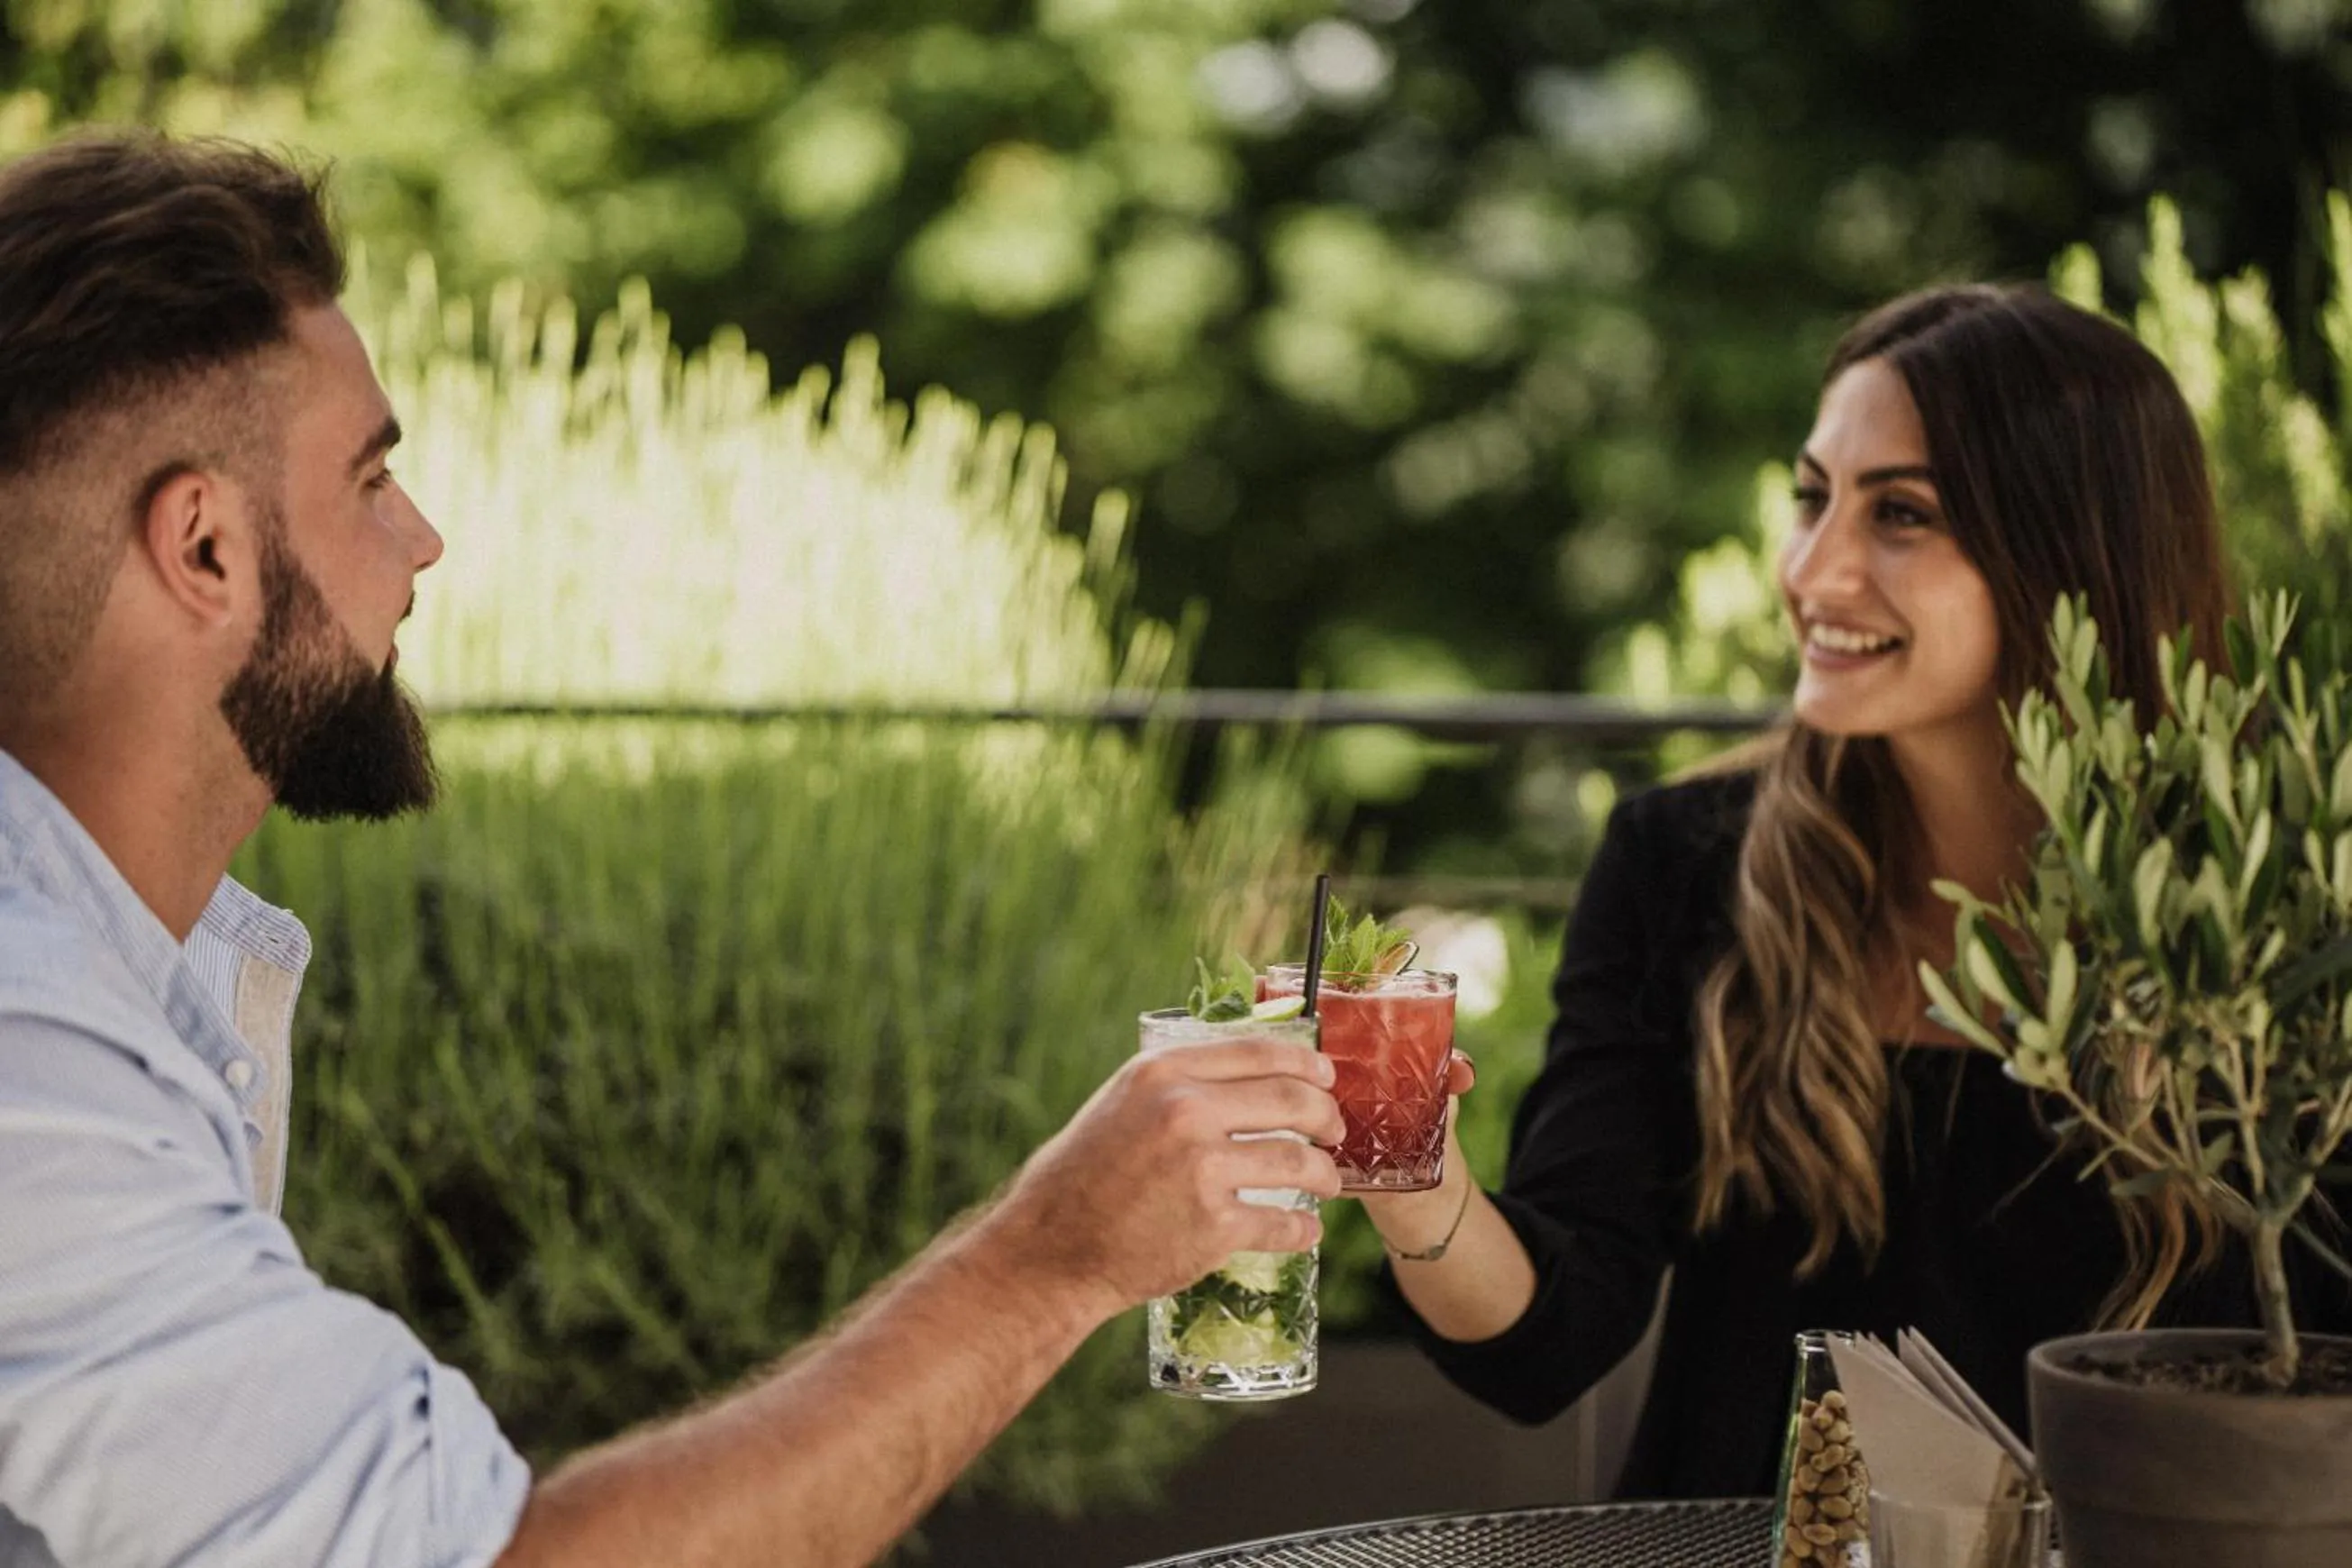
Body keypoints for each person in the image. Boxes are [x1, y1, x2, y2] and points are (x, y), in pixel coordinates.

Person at [0, 131, 1345, 1568]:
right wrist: (1055, 1253)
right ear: (204, 549)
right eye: (370, 480)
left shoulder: (118, 971)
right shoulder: (35, 1053)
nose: (427, 540)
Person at [1351, 282, 2352, 1496]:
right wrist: (1405, 1164)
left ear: (2066, 555)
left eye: (1901, 514)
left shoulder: (2279, 909)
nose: (1813, 570)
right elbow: (1544, 1346)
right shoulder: (1682, 863)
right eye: (1811, 499)